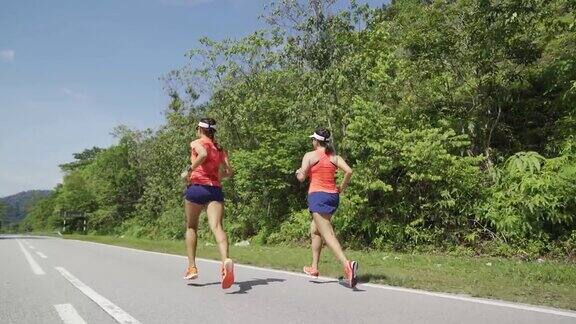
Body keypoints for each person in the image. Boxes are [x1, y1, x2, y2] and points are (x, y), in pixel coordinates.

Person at [295, 127, 358, 288]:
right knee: (315, 230)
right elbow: (349, 171)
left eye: (313, 140)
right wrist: (341, 188)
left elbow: (302, 177)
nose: (312, 142)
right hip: (332, 197)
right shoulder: (334, 158)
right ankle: (314, 267)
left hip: (318, 196)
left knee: (327, 234)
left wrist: (299, 173)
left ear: (316, 141)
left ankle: (347, 265)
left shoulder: (310, 156)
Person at [183, 118, 234, 289]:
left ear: (200, 129)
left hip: (196, 188)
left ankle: (192, 267)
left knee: (191, 227)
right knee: (217, 227)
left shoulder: (196, 142)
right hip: (214, 190)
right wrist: (218, 177)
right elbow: (229, 172)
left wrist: (188, 171)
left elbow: (203, 154)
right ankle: (225, 260)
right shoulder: (220, 149)